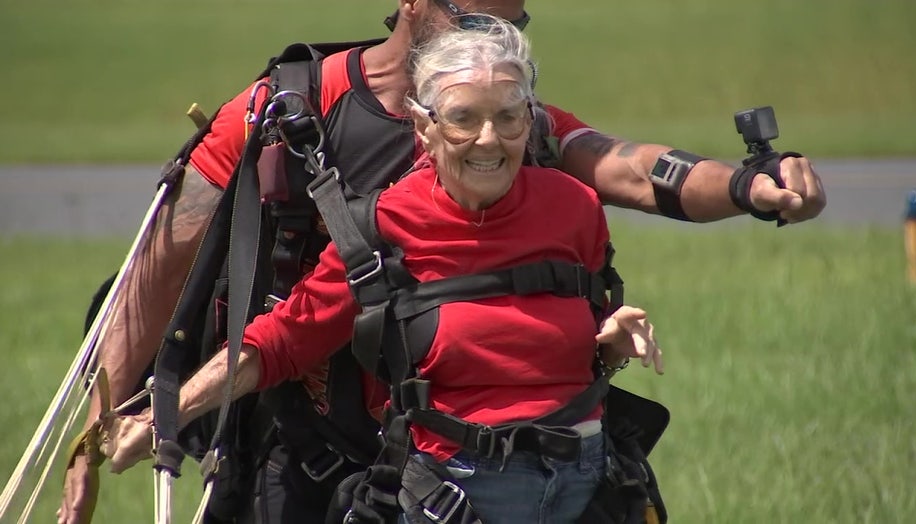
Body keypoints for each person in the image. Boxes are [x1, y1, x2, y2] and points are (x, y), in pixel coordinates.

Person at [57, 0, 825, 522]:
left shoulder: (509, 117)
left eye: (516, 22)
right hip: (308, 458)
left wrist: (751, 184)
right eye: (479, 15)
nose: (499, 37)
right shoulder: (280, 109)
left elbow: (630, 166)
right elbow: (160, 267)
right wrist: (98, 428)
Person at [105, 18, 663, 524]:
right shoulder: (382, 225)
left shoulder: (575, 207)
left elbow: (571, 330)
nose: (489, 139)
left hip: (587, 487)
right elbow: (283, 339)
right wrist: (168, 411)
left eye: (508, 117)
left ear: (529, 119)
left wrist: (610, 341)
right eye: (464, 119)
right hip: (456, 497)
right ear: (424, 127)